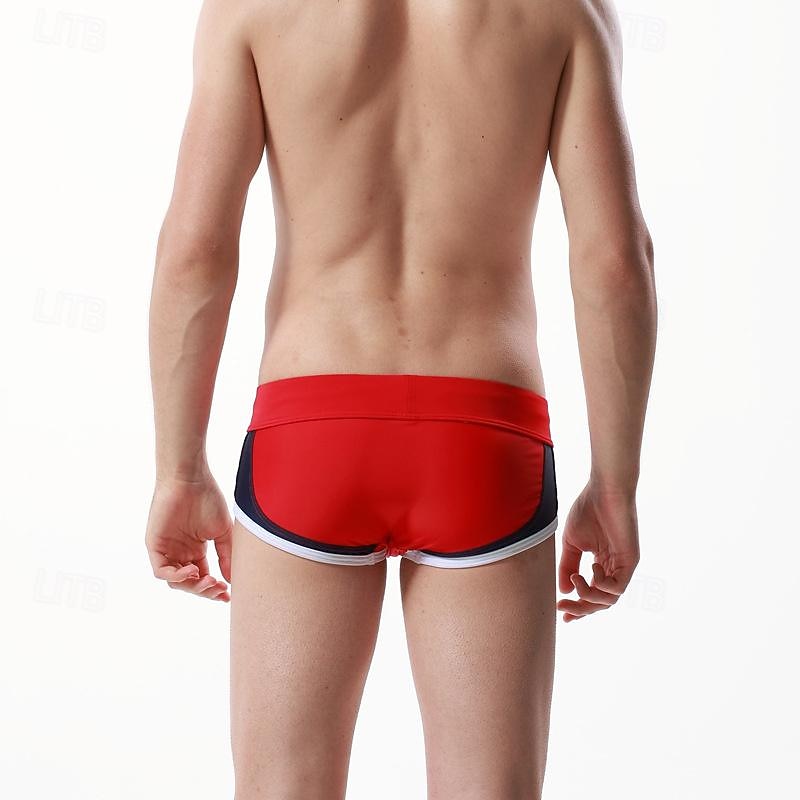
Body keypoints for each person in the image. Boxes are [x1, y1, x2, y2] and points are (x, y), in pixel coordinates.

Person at [144, 0, 657, 797]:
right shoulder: (567, 11)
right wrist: (615, 485)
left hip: (311, 425)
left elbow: (195, 250)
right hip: (485, 434)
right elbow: (615, 262)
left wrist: (179, 470)